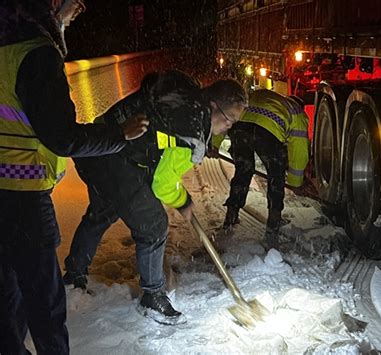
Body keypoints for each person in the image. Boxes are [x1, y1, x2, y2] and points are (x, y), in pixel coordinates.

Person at [0, 1, 149, 354]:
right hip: (23, 196)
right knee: (45, 304)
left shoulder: (5, 45)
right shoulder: (36, 54)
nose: (77, 11)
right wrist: (119, 135)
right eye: (71, 4)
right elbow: (62, 137)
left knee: (8, 302)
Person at [62, 70, 248, 325]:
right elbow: (163, 185)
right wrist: (183, 201)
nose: (229, 127)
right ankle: (152, 296)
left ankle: (73, 276)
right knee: (153, 224)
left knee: (103, 211)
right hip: (115, 156)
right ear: (213, 105)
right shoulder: (191, 128)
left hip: (97, 145)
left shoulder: (187, 94)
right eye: (229, 119)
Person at [222, 89, 310, 247]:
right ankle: (273, 224)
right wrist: (296, 182)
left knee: (243, 169)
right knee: (276, 175)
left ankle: (231, 214)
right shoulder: (298, 113)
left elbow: (229, 112)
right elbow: (299, 151)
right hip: (267, 134)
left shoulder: (268, 96)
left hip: (240, 128)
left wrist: (214, 143)